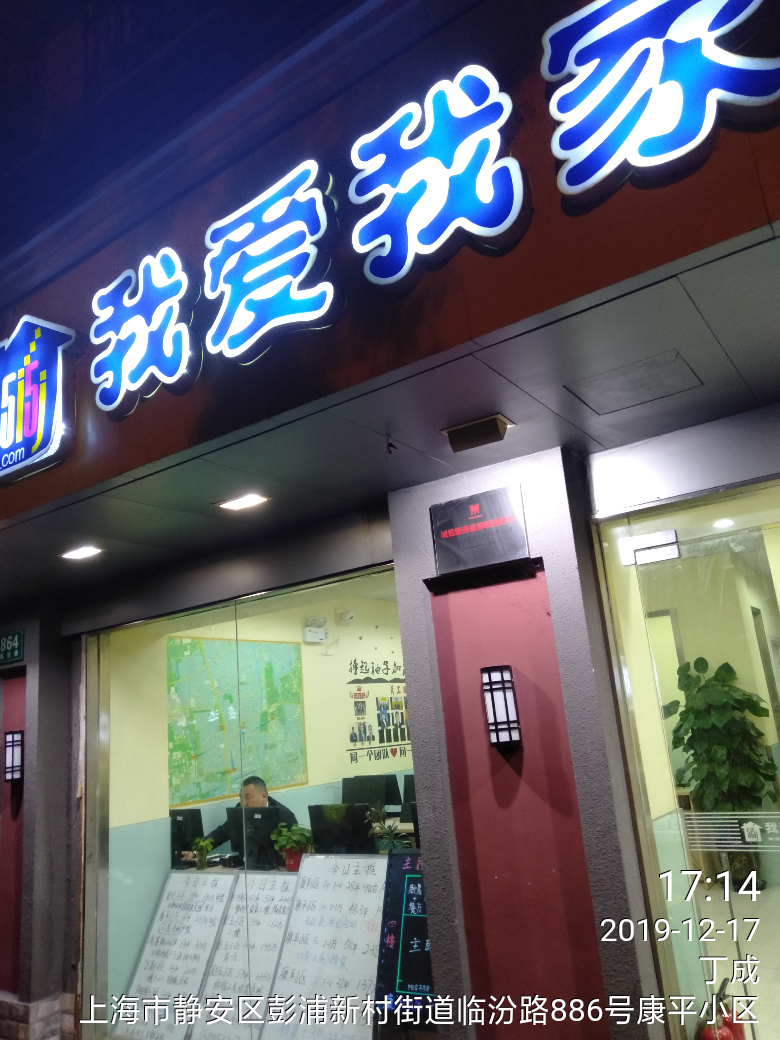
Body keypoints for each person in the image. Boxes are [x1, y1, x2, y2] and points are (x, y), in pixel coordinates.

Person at [182, 776, 296, 865]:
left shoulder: (284, 816)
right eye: (241, 798)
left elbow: (293, 850)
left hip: (275, 867)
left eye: (247, 797)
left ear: (263, 796)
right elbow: (221, 833)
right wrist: (196, 851)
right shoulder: (240, 811)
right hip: (246, 866)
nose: (243, 803)